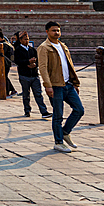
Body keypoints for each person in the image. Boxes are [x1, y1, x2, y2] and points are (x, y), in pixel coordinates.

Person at [38, 21, 84, 152]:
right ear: (47, 32)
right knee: (58, 115)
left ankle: (65, 132)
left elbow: (69, 65)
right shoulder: (44, 47)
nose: (56, 33)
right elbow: (43, 68)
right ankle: (58, 142)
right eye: (53, 30)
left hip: (68, 84)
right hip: (55, 85)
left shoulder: (63, 46)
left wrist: (75, 83)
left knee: (79, 109)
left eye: (58, 30)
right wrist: (48, 85)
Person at [14, 31, 51, 119]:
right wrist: (27, 62)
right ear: (20, 40)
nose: (26, 41)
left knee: (38, 94)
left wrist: (35, 64)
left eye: (27, 39)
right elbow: (17, 61)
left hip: (34, 75)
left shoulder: (32, 50)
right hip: (24, 74)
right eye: (25, 39)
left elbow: (38, 60)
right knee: (26, 94)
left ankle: (44, 111)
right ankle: (27, 110)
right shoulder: (18, 50)